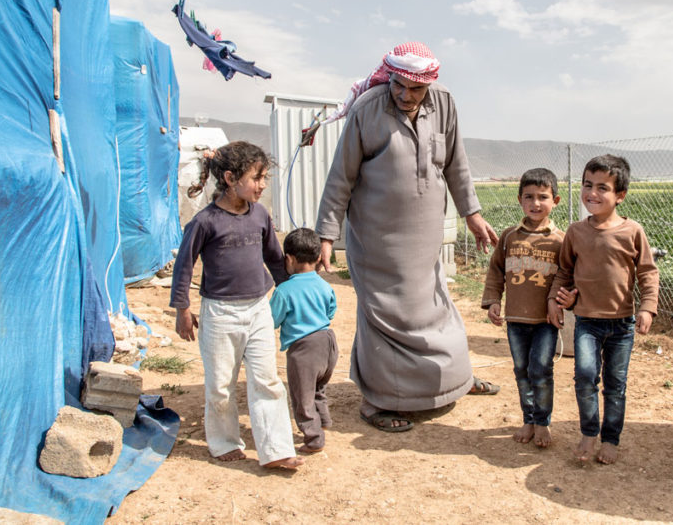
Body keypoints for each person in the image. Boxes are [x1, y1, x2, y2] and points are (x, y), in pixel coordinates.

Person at [315, 41, 500, 433]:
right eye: (398, 85)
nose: (404, 95)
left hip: (425, 235)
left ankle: (453, 382)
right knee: (384, 314)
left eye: (414, 89)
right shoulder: (368, 108)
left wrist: (473, 213)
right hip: (376, 238)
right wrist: (326, 236)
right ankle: (377, 402)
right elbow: (340, 178)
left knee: (436, 308)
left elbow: (456, 163)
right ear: (390, 77)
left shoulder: (445, 104)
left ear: (428, 85)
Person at [170, 141, 302, 471]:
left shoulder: (259, 215)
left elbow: (273, 257)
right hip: (220, 314)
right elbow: (184, 266)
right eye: (257, 177)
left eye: (264, 177)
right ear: (230, 178)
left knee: (267, 380)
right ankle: (224, 442)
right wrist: (182, 309)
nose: (262, 185)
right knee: (220, 386)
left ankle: (276, 448)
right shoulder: (205, 222)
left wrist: (292, 291)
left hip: (258, 309)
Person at [547, 154, 659, 465]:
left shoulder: (632, 232)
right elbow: (564, 272)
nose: (592, 193)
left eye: (602, 188)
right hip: (586, 322)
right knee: (584, 377)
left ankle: (611, 438)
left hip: (622, 325)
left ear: (620, 195)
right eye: (587, 185)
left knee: (615, 385)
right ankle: (588, 432)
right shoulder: (576, 232)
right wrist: (556, 300)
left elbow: (648, 272)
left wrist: (648, 307)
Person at [481, 168, 564, 448]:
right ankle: (528, 419)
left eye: (543, 197)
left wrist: (561, 302)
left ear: (556, 201)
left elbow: (567, 276)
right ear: (519, 200)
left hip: (545, 321)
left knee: (541, 369)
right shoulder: (509, 237)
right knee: (521, 369)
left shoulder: (560, 241)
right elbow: (496, 271)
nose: (535, 203)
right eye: (529, 196)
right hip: (516, 320)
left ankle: (543, 422)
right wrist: (493, 300)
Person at [269, 227, 339, 454]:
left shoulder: (284, 291)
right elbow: (331, 311)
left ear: (288, 259)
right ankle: (325, 421)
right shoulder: (324, 285)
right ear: (319, 257)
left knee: (302, 397)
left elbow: (273, 320)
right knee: (319, 388)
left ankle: (314, 438)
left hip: (303, 350)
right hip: (328, 343)